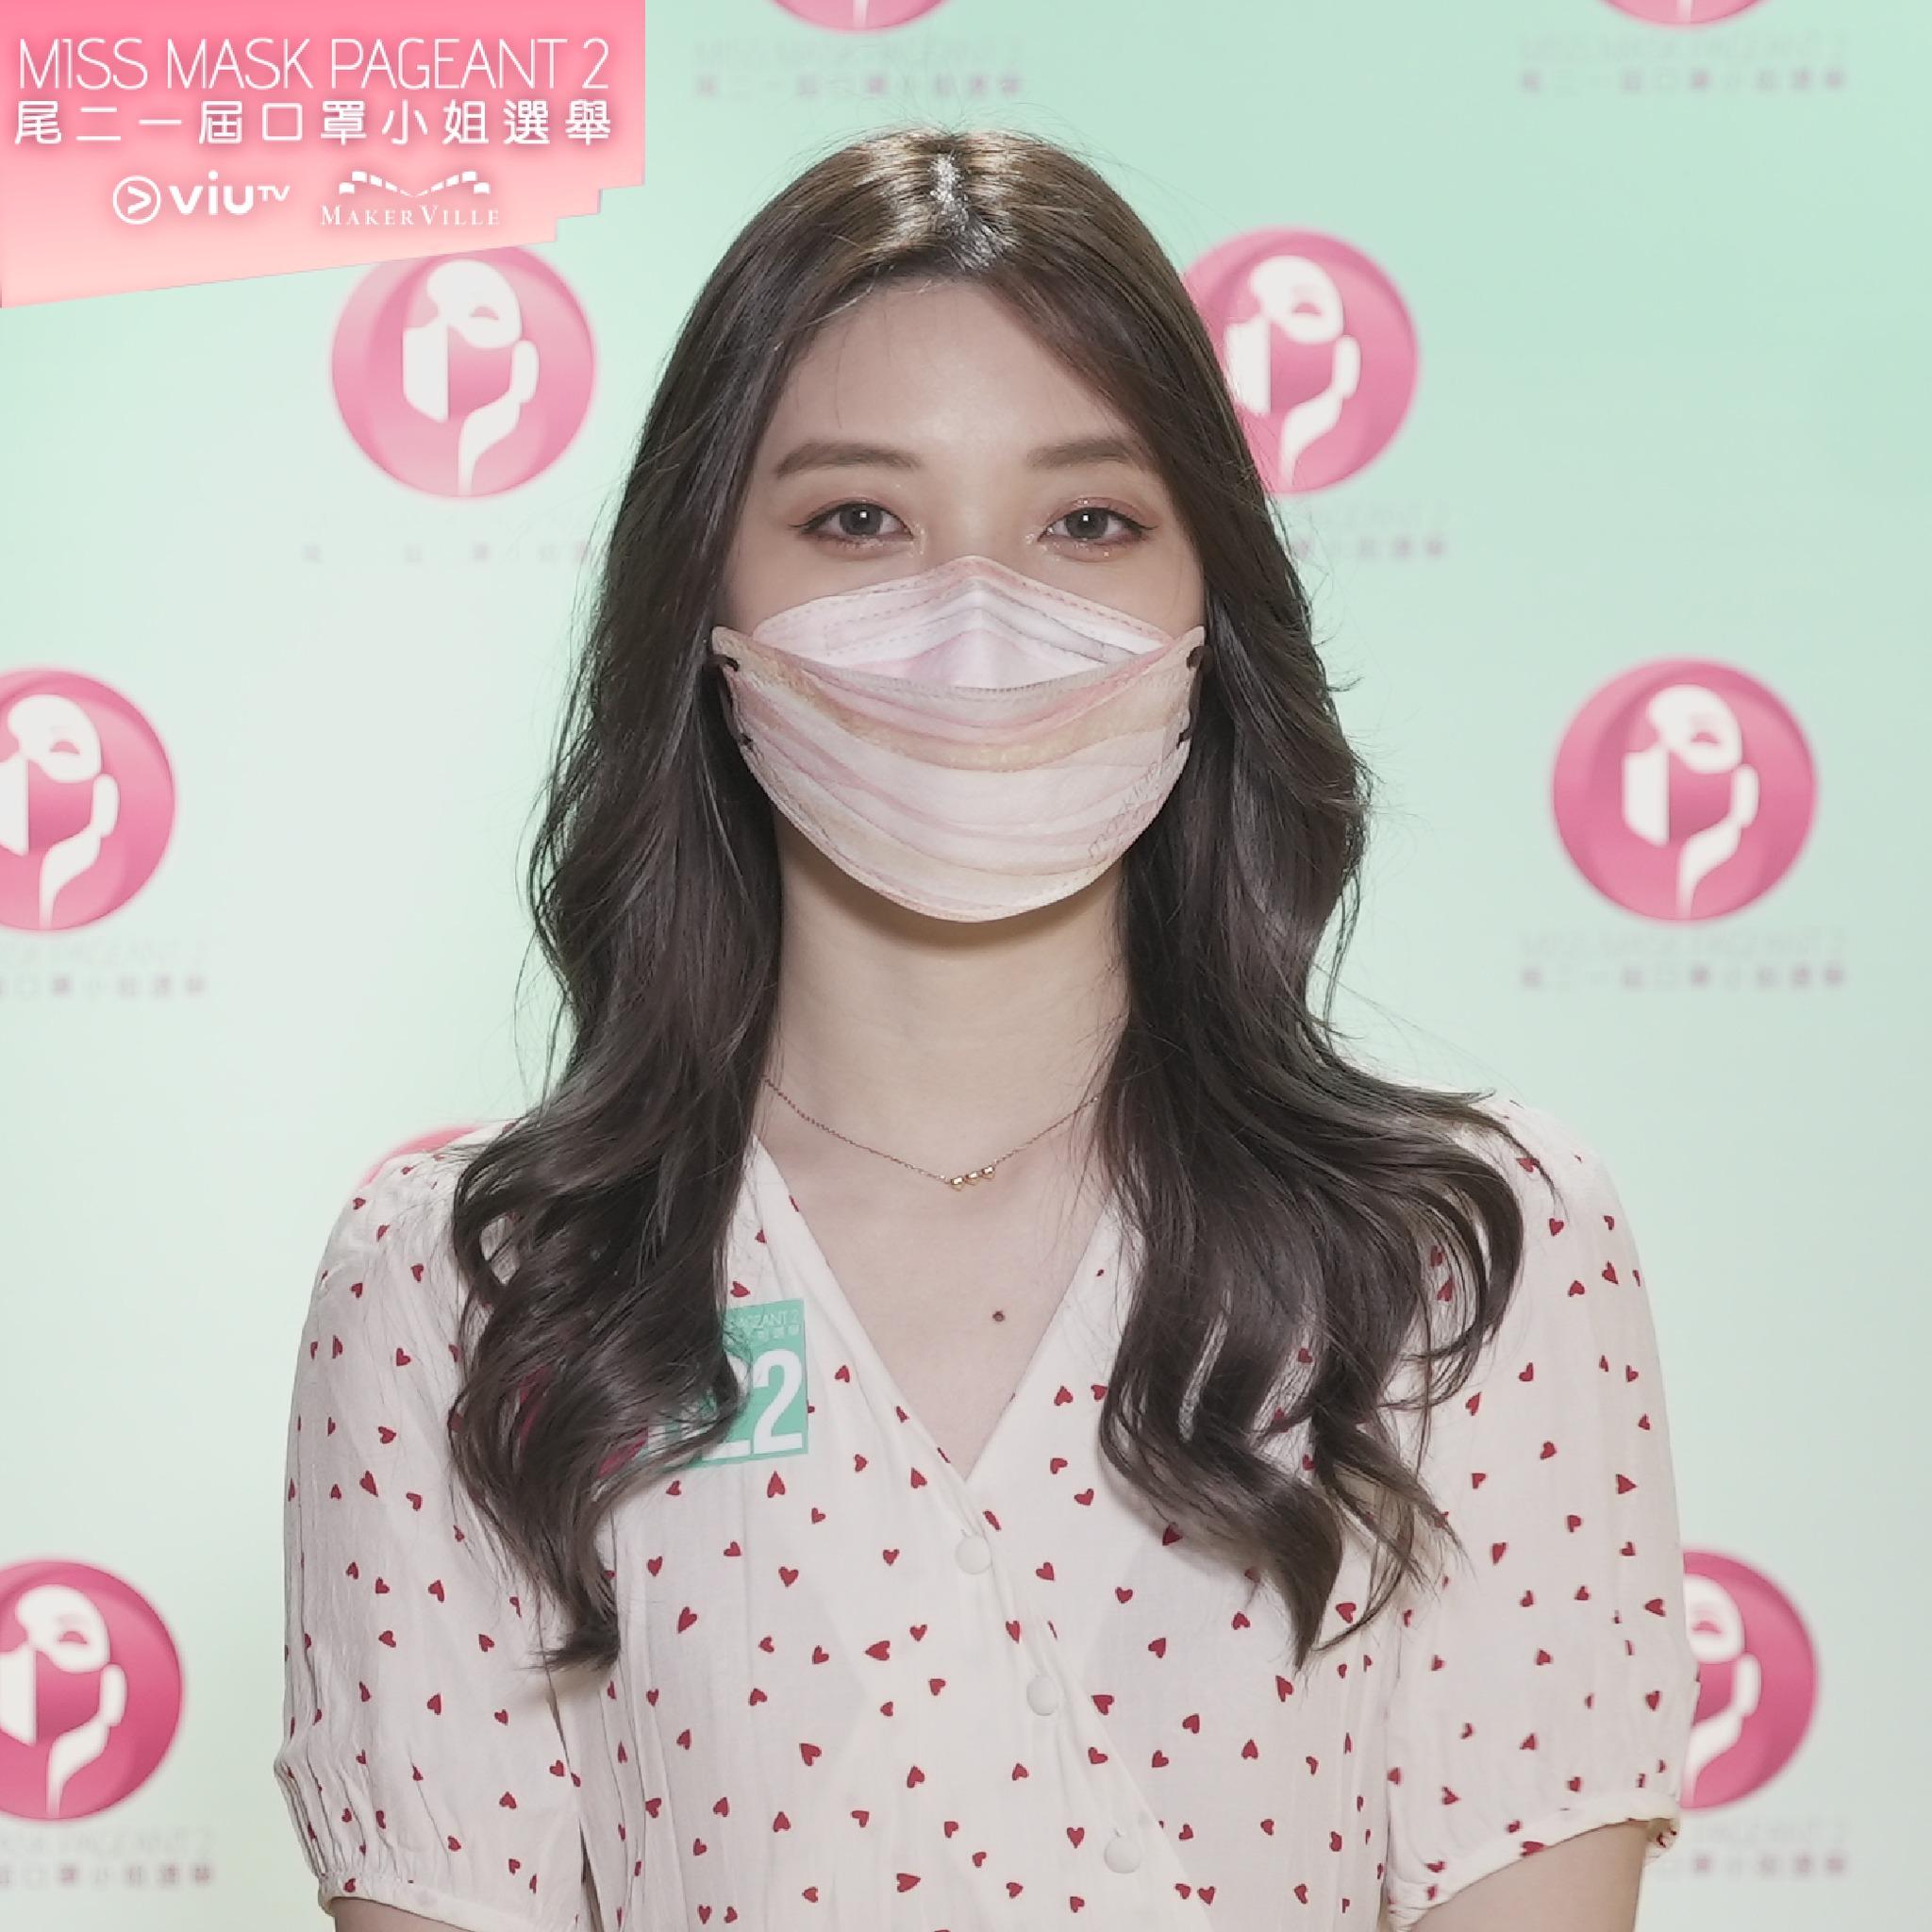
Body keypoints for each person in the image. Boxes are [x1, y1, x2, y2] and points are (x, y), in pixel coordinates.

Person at [272, 125, 1699, 1932]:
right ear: (705, 604)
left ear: (1208, 610)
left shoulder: (1464, 1256)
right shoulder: (468, 1287)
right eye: (857, 522)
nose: (973, 620)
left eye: (1087, 523)